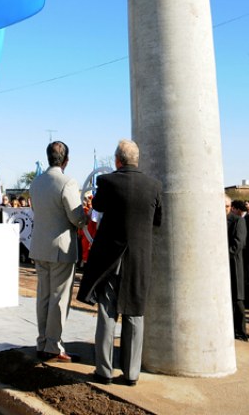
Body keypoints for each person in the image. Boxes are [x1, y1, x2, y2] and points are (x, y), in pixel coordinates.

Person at [77, 139, 162, 386]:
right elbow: (158, 221)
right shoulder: (154, 185)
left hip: (110, 260)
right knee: (135, 313)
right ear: (137, 160)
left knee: (107, 312)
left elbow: (99, 206)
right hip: (139, 259)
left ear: (117, 160)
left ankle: (104, 371)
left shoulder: (108, 181)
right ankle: (131, 373)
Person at [29, 140, 84, 362]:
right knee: (59, 298)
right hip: (60, 248)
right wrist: (84, 217)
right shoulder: (67, 182)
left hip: (39, 246)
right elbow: (77, 217)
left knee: (43, 296)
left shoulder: (35, 183)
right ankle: (54, 345)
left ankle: (42, 341)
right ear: (66, 160)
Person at [226, 197, 248, 341]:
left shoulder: (238, 220)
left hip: (233, 264)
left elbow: (238, 243)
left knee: (237, 299)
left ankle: (241, 332)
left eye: (227, 206)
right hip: (223, 267)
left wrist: (223, 256)